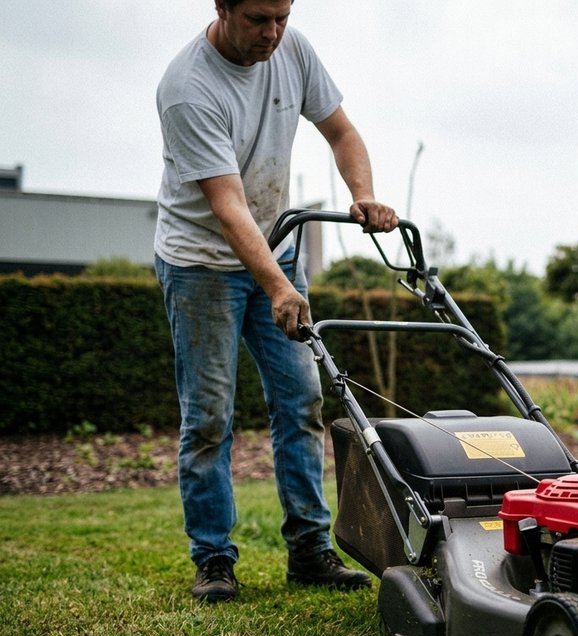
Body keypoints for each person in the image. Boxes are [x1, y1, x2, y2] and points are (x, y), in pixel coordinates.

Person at [154, 0, 398, 602]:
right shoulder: (188, 87)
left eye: (282, 16)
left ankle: (311, 550)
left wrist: (363, 194)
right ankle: (213, 558)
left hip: (277, 254)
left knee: (302, 403)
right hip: (201, 266)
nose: (273, 33)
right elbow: (228, 204)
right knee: (209, 416)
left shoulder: (293, 48)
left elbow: (341, 130)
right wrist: (278, 287)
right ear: (222, 7)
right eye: (259, 18)